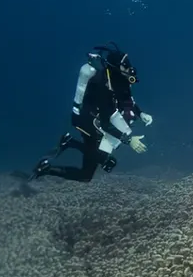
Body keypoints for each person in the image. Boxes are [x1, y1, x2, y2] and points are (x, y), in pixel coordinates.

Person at [32, 43, 153, 183]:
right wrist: (129, 140)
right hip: (86, 122)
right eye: (125, 65)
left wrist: (141, 113)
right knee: (87, 174)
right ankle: (46, 168)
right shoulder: (102, 86)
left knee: (103, 154)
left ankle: (68, 142)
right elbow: (106, 124)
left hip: (99, 119)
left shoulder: (119, 79)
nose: (129, 68)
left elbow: (126, 100)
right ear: (115, 67)